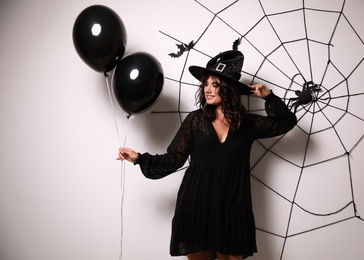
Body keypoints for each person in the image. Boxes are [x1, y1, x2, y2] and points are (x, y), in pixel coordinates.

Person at [117, 49, 297, 260]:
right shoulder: (195, 121)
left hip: (233, 205)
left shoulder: (247, 124)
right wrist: (140, 158)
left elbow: (286, 122)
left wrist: (270, 97)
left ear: (228, 89)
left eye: (215, 85)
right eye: (205, 84)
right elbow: (174, 158)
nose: (208, 90)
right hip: (197, 203)